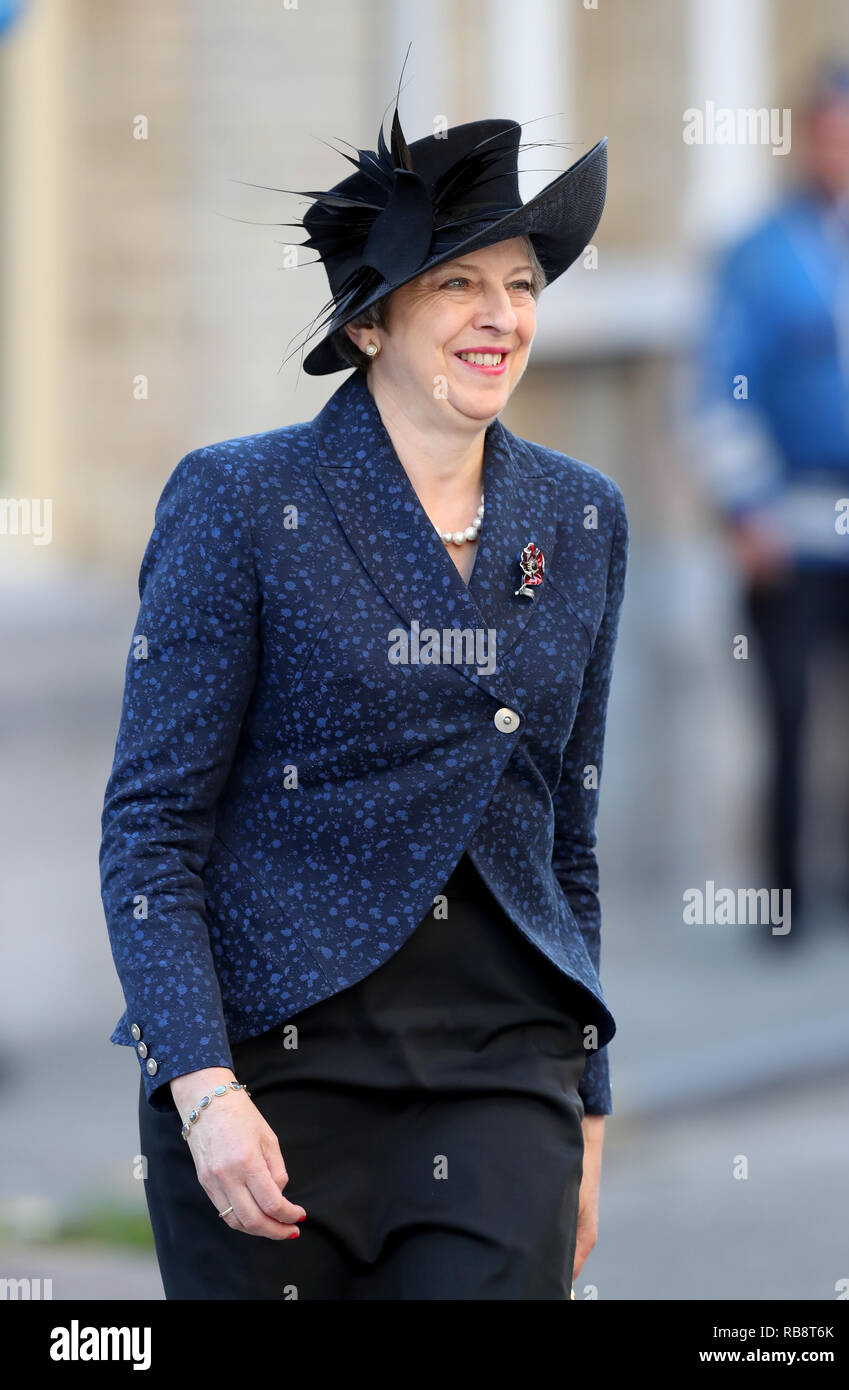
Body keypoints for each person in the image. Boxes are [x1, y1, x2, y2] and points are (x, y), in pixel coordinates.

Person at [99, 77, 629, 1300]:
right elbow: (151, 831)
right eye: (458, 283)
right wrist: (202, 1086)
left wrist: (584, 1106)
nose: (501, 316)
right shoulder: (239, 502)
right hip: (270, 1091)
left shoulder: (582, 515)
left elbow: (568, 836)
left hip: (500, 1085)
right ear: (369, 325)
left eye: (521, 284)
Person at [695, 57, 849, 938]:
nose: (843, 149)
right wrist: (745, 510)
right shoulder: (761, 257)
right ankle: (783, 907)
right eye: (829, 131)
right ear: (807, 135)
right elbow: (717, 392)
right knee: (793, 718)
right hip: (794, 525)